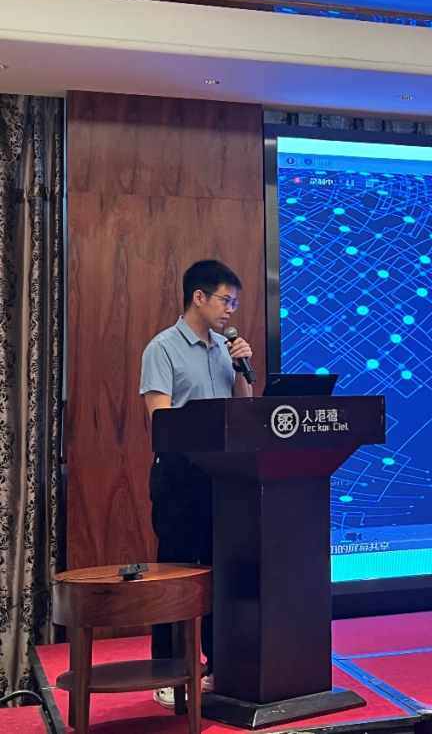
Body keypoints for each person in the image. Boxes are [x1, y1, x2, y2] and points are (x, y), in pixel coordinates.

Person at [139, 260, 254, 708]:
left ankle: (217, 666)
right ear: (199, 297)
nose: (230, 310)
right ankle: (168, 673)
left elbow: (243, 409)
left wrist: (242, 367)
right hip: (180, 476)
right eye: (226, 300)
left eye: (235, 303)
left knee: (218, 572)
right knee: (176, 575)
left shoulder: (226, 349)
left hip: (222, 477)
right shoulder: (162, 348)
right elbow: (161, 419)